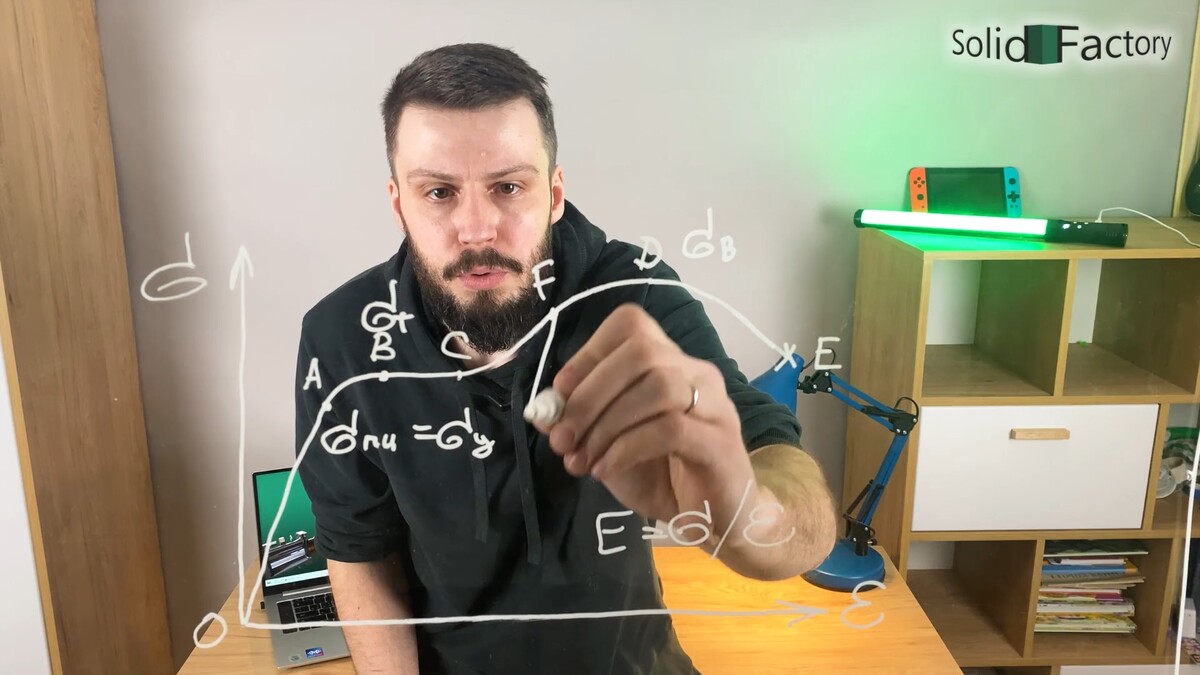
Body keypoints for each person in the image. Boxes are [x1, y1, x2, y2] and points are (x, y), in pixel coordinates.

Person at [295, 42, 838, 675]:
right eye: (439, 192)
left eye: (508, 187)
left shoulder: (635, 296)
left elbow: (798, 520)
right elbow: (359, 552)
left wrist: (742, 509)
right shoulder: (341, 338)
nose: (477, 228)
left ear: (554, 194)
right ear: (399, 206)